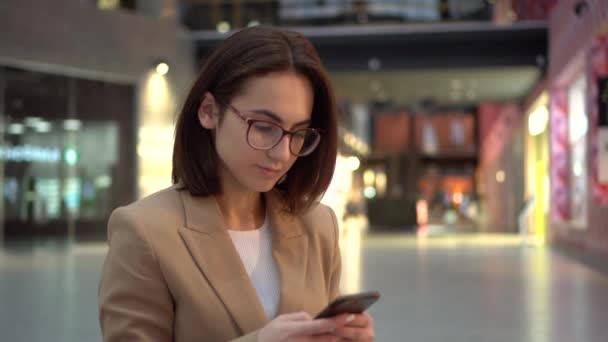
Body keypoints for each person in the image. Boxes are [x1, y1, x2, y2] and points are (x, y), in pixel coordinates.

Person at [98, 26, 375, 342]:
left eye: (298, 133)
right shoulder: (145, 232)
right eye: (263, 127)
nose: (282, 152)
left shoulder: (317, 224)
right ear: (209, 111)